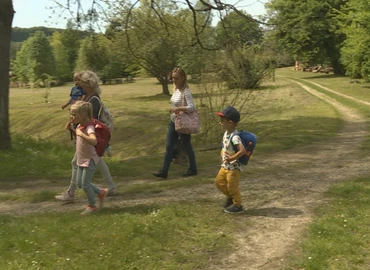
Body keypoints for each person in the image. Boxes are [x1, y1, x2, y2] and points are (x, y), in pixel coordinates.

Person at [55, 70, 117, 202]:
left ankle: (71, 194)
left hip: (89, 138)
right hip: (88, 138)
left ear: (88, 84)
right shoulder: (88, 97)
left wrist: (79, 134)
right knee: (98, 160)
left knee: (76, 162)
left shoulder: (93, 100)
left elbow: (89, 121)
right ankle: (111, 187)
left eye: (82, 83)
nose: (79, 85)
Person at [153, 67, 197, 179]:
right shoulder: (176, 90)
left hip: (182, 122)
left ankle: (193, 169)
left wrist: (178, 109)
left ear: (183, 78)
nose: (174, 80)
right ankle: (164, 171)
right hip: (173, 121)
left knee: (187, 146)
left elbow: (192, 107)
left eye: (176, 78)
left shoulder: (186, 92)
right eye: (172, 78)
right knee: (169, 146)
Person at [68, 101, 108, 215]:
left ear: (83, 115)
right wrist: (73, 129)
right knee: (80, 184)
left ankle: (92, 206)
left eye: (74, 114)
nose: (71, 116)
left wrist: (80, 134)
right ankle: (100, 192)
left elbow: (93, 140)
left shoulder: (89, 127)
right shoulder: (80, 125)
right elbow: (80, 137)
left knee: (85, 184)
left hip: (90, 160)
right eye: (71, 114)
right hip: (82, 159)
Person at [215, 106, 246, 214]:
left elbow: (242, 150)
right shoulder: (226, 133)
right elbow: (225, 147)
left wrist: (232, 158)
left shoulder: (234, 137)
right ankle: (230, 197)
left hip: (233, 167)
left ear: (230, 123)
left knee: (233, 187)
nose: (220, 123)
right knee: (219, 182)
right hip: (225, 165)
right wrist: (222, 155)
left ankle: (238, 205)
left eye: (222, 121)